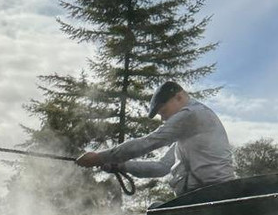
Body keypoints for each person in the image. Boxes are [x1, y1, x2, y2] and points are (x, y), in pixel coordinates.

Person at [76, 80, 234, 196]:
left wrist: (99, 157)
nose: (163, 119)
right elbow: (162, 167)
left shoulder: (192, 114)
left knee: (156, 214)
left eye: (163, 111)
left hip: (211, 194)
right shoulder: (188, 135)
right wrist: (121, 166)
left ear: (179, 97)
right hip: (205, 194)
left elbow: (149, 142)